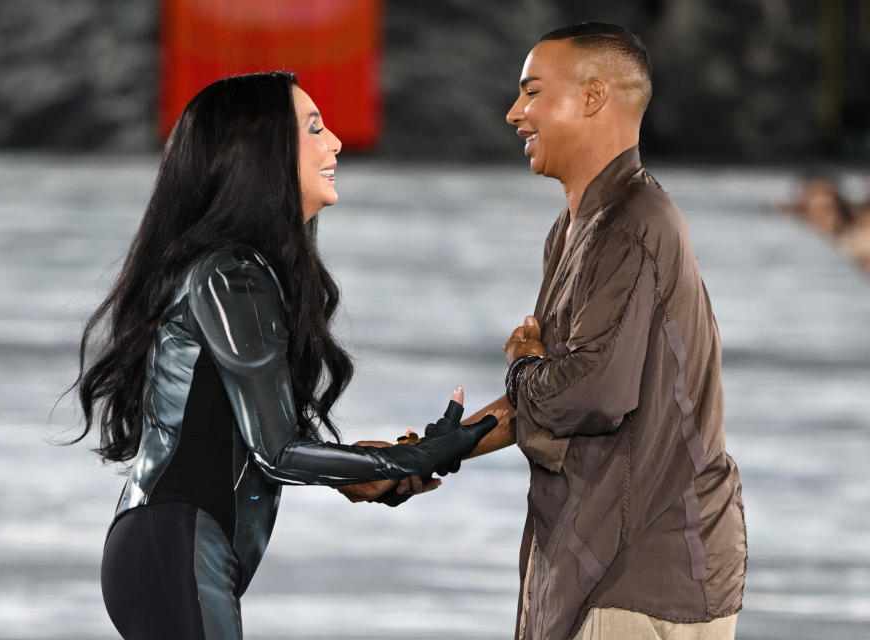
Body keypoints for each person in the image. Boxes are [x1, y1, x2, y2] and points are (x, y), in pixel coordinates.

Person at [345, 22, 748, 639]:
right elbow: (556, 395)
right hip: (594, 557)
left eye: (532, 92)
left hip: (642, 572)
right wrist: (424, 455)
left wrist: (527, 368)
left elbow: (587, 393)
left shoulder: (632, 227)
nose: (514, 113)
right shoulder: (575, 228)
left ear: (591, 98)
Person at [71, 72, 497, 639]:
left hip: (172, 551)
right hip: (173, 551)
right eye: (315, 129)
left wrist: (366, 471)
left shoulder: (243, 268)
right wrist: (411, 460)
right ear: (261, 154)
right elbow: (275, 453)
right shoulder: (231, 275)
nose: (336, 143)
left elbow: (249, 436)